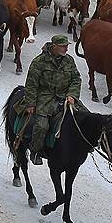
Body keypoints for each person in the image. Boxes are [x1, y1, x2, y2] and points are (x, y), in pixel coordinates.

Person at [19, 34, 86, 165]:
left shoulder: (69, 61)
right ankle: (35, 151)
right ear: (54, 46)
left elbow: (76, 79)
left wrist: (72, 95)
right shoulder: (39, 62)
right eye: (63, 46)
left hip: (66, 97)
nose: (66, 49)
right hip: (45, 98)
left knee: (86, 117)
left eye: (67, 46)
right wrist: (30, 103)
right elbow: (31, 84)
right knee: (41, 126)